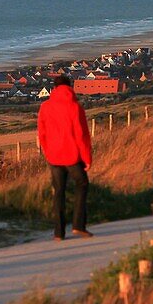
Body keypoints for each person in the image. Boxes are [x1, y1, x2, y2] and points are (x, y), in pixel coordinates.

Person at [36, 75, 93, 240]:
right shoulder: (75, 107)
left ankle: (59, 232)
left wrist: (47, 151)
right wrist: (87, 158)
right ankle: (78, 225)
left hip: (53, 155)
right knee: (82, 184)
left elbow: (42, 133)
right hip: (72, 155)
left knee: (58, 191)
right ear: (70, 87)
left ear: (54, 88)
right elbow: (82, 135)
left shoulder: (45, 107)